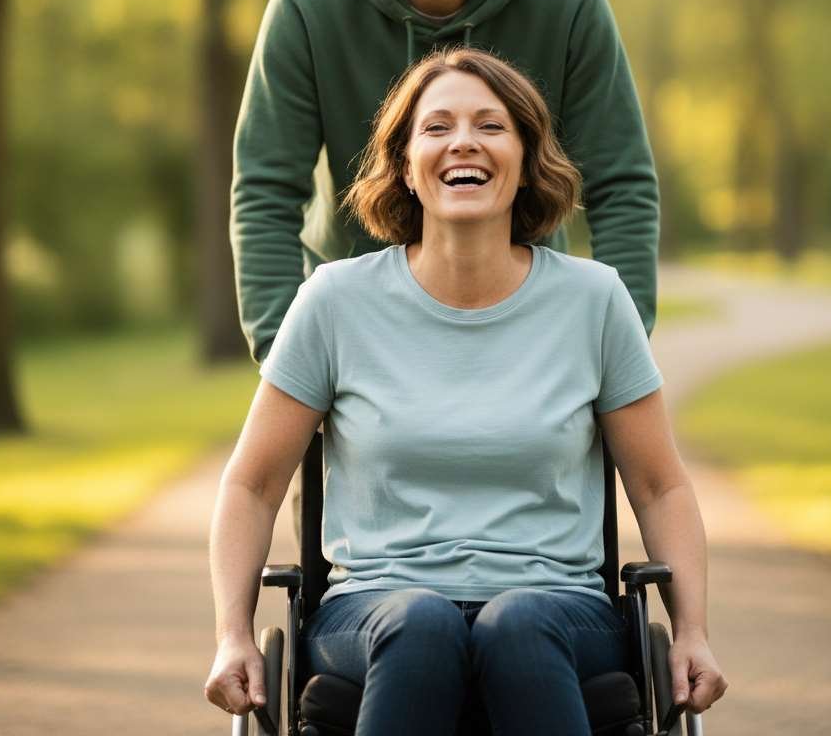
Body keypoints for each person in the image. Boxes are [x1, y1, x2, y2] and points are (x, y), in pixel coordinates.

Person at [207, 49, 726, 734]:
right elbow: (251, 485)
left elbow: (661, 486)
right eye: (437, 126)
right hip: (373, 607)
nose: (463, 142)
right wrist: (232, 635)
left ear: (526, 159)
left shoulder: (593, 300)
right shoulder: (335, 301)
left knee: (518, 623)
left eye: (490, 125)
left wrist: (691, 632)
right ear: (404, 165)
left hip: (558, 607)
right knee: (421, 623)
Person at [231, 0, 660, 384]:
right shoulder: (307, 6)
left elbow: (622, 189)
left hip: (532, 347)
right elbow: (266, 195)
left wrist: (615, 361)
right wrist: (289, 366)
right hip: (357, 350)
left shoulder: (569, 2)